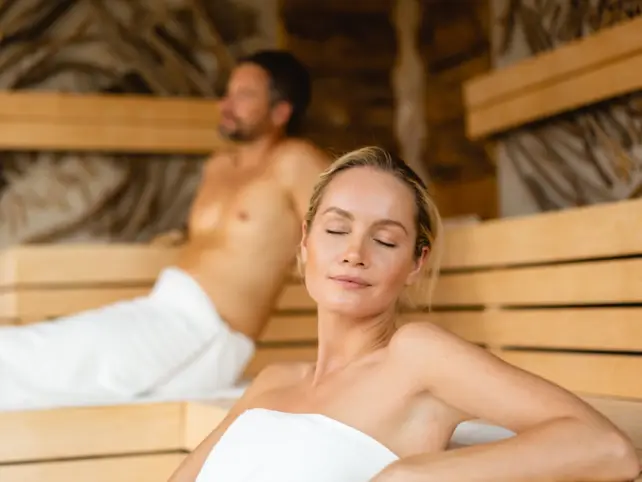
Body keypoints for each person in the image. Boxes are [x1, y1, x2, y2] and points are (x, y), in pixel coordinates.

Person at [168, 146, 639, 482]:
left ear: (416, 264)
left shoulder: (415, 356)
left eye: (386, 239)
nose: (355, 253)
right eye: (336, 230)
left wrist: (418, 475)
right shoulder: (272, 382)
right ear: (304, 243)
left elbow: (608, 449)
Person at [0, 50, 331, 410]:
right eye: (228, 92)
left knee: (30, 357)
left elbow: (349, 228)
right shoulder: (219, 166)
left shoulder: (295, 162)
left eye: (244, 95)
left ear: (281, 111)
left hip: (206, 332)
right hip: (165, 309)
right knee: (37, 350)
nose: (226, 104)